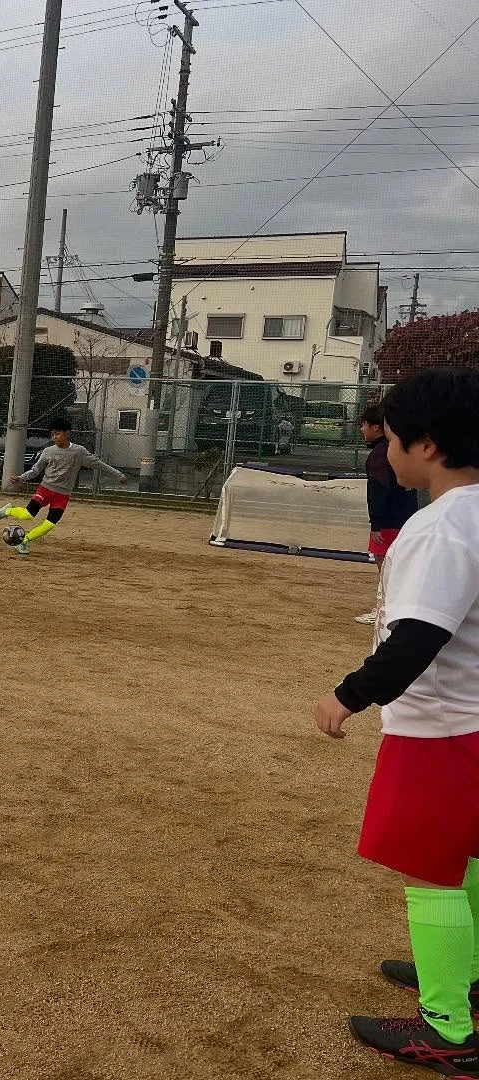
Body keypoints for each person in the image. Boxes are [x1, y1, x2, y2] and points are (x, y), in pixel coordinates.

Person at [316, 367, 479, 1076]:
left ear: (428, 445)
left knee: (429, 871)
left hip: (443, 728)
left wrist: (349, 695)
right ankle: (467, 978)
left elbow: (416, 638)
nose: (384, 451)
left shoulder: (440, 526)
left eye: (390, 439)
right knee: (468, 858)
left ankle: (449, 1025)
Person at [0, 416, 126, 555]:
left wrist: (118, 475)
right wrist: (21, 478)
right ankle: (8, 510)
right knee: (28, 515)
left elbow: (99, 464)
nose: (54, 437)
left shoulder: (79, 452)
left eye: (57, 434)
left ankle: (24, 541)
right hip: (45, 489)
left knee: (50, 524)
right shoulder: (48, 451)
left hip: (62, 495)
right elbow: (36, 470)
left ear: (67, 433)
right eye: (52, 434)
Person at [357, 403, 420, 624]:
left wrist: (376, 524)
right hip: (403, 517)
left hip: (388, 522)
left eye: (364, 424)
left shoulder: (380, 454)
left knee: (386, 568)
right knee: (395, 567)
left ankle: (385, 610)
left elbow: (379, 489)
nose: (362, 429)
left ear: (376, 427)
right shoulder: (397, 449)